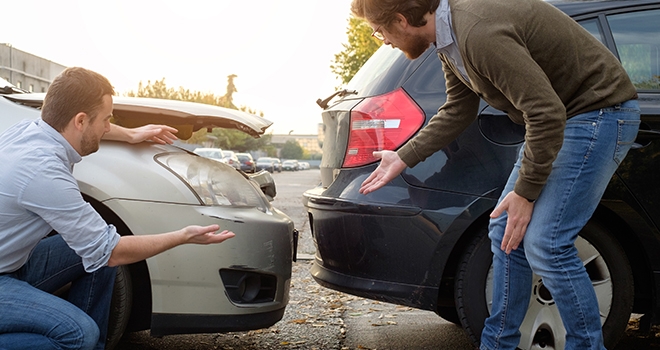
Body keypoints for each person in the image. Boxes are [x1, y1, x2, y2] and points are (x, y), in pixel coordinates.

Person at [352, 0, 640, 349]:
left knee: (547, 244)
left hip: (596, 114)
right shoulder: (449, 39)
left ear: (401, 20)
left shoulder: (477, 31)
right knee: (506, 230)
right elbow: (459, 108)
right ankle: (498, 344)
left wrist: (526, 193)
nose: (381, 39)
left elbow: (545, 113)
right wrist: (403, 157)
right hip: (565, 119)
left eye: (380, 30)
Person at [0, 67, 236, 350]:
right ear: (80, 120)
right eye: (106, 120)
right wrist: (183, 236)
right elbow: (112, 252)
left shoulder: (30, 131)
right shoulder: (43, 171)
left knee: (96, 255)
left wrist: (131, 135)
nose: (108, 127)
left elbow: (102, 252)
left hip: (14, 265)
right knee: (78, 334)